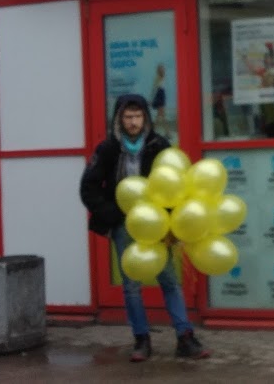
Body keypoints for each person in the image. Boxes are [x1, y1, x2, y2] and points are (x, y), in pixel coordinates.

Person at [79, 94, 211, 363]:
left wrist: (173, 224)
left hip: (158, 224)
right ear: (119, 119)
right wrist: (113, 214)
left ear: (146, 118)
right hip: (124, 225)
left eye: (138, 116)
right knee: (131, 285)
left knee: (169, 280)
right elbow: (88, 188)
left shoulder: (159, 146)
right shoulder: (107, 149)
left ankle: (185, 337)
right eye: (128, 117)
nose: (133, 122)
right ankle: (141, 339)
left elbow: (177, 183)